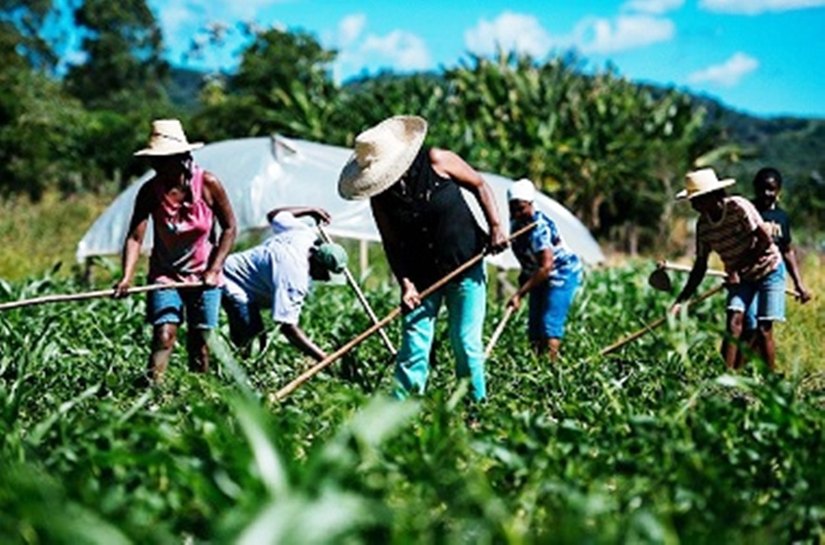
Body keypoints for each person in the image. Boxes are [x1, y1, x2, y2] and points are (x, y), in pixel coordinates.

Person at [337, 115, 507, 402]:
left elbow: (479, 185)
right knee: (414, 347)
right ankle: (403, 410)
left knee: (465, 343)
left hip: (465, 264)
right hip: (421, 277)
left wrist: (496, 227)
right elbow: (392, 243)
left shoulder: (438, 160)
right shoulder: (380, 197)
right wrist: (406, 284)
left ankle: (476, 407)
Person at [115, 119, 237, 383]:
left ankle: (198, 398)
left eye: (163, 160)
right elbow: (135, 237)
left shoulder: (208, 184)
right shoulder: (150, 191)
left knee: (200, 344)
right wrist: (126, 277)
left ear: (182, 157)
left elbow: (229, 228)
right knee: (163, 335)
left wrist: (214, 269)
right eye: (154, 161)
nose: (156, 166)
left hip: (204, 276)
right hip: (165, 274)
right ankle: (152, 394)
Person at [670, 168, 784, 370]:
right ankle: (726, 380)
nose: (693, 204)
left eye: (696, 199)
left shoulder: (739, 207)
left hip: (768, 268)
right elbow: (700, 266)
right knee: (734, 323)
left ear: (712, 196)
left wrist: (738, 268)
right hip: (741, 276)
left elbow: (764, 240)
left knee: (764, 328)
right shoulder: (703, 226)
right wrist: (682, 300)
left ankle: (773, 383)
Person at [220, 206, 348, 361]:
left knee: (252, 342)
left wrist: (309, 210)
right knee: (253, 344)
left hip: (237, 270)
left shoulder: (304, 234)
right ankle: (237, 377)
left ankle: (238, 368)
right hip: (233, 281)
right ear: (318, 264)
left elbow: (275, 215)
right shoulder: (294, 276)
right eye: (326, 275)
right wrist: (324, 358)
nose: (326, 280)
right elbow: (287, 326)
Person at [506, 179, 582, 360]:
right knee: (534, 328)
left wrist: (519, 294)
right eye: (513, 208)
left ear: (531, 204)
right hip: (539, 275)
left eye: (521, 207)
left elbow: (546, 267)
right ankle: (536, 367)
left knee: (549, 325)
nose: (517, 212)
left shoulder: (540, 229)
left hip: (561, 273)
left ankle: (551, 372)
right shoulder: (516, 225)